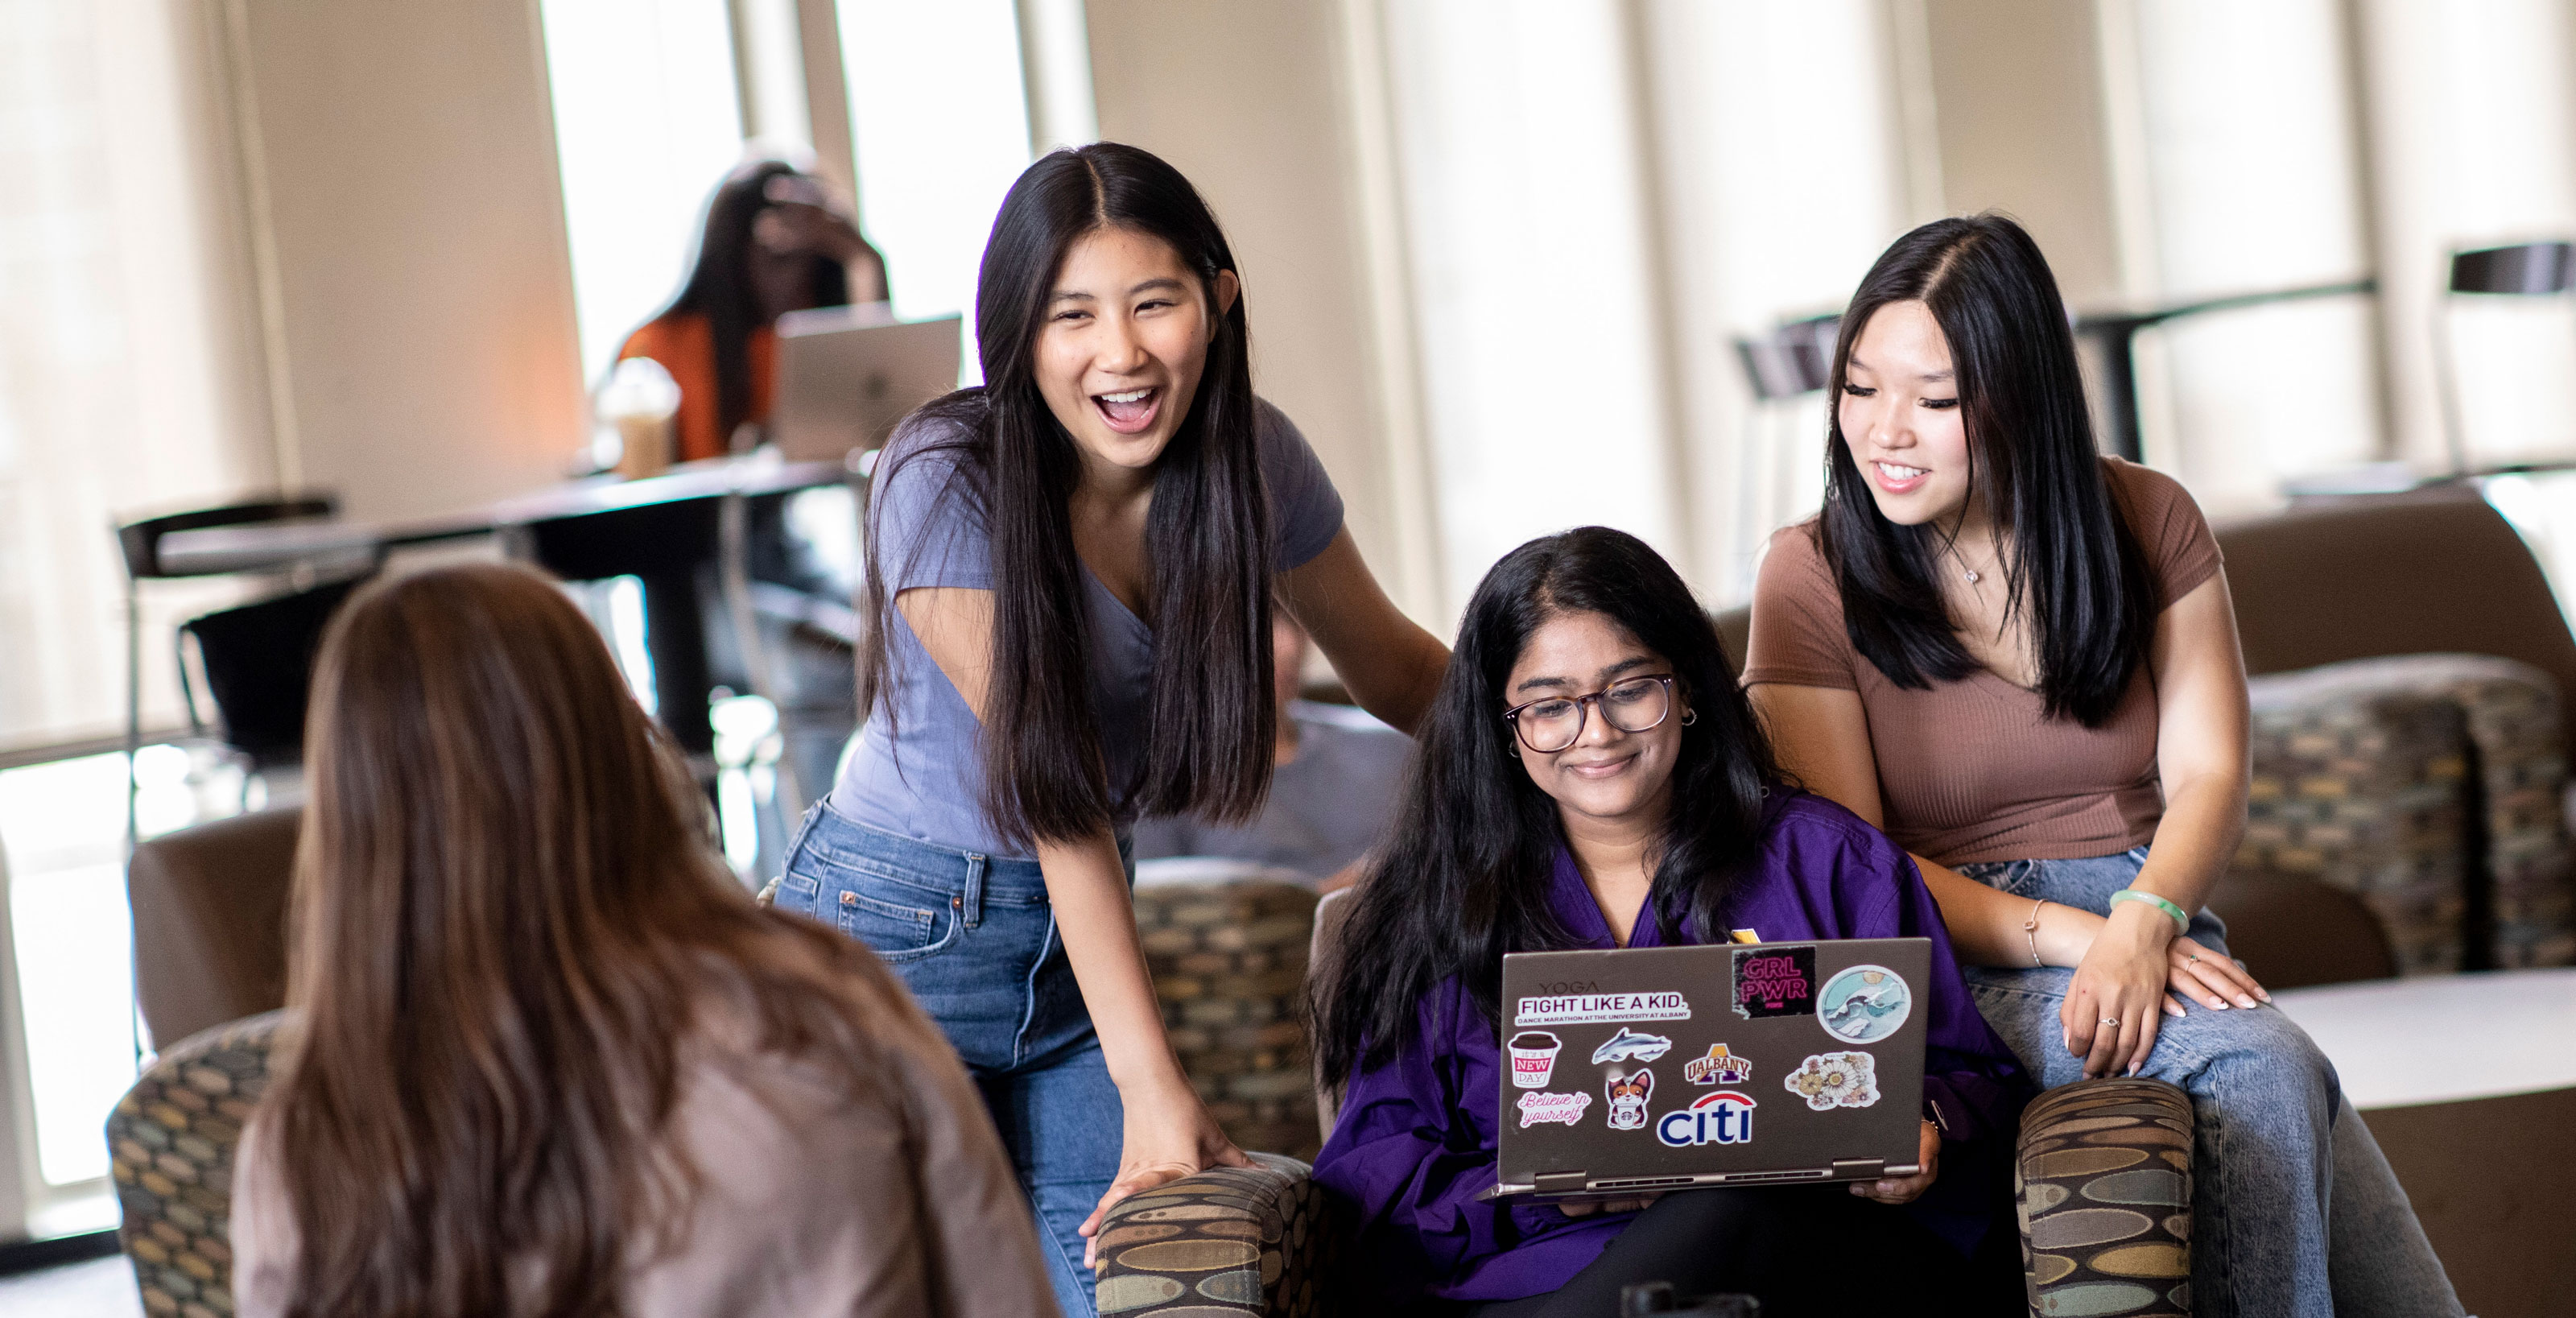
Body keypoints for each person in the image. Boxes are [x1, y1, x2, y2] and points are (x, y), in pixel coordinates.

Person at [769, 142, 1449, 1316]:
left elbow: (1396, 668)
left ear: (1217, 300)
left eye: (1155, 303)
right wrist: (1151, 1079)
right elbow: (1059, 781)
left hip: (1075, 951)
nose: (1120, 353)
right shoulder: (946, 469)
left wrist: (1582, 729)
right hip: (891, 942)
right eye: (1071, 314)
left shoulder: (1254, 459)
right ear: (1019, 334)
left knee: (1139, 1295)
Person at [1743, 213, 2459, 1318]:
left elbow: (2213, 769)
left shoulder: (2146, 515)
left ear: (2021, 395)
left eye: (1934, 400)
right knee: (2265, 1065)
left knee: (2396, 1278)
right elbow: (1852, 866)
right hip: (1957, 944)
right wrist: (2097, 938)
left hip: (2153, 917)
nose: (1883, 432)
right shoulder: (1809, 572)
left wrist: (2147, 917)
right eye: (1857, 387)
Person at [229, 564, 1055, 1317]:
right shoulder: (823, 1012)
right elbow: (1000, 1290)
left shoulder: (303, 1146)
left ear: (348, 827)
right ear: (618, 746)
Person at [1311, 527, 2030, 1317]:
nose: (1596, 731)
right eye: (1550, 706)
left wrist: (1922, 1125)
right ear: (1506, 727)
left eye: (1628, 688)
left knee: (1728, 1209)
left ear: (1684, 688)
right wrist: (1535, 1193)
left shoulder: (1825, 860)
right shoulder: (1439, 907)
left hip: (1807, 1263)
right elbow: (1370, 1171)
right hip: (1543, 1278)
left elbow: (1977, 1084)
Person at [618, 159, 890, 461]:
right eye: (778, 260)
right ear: (731, 260)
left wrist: (865, 259)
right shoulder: (659, 345)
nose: (794, 281)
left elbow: (878, 410)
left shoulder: (809, 336)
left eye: (808, 262)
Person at [1131, 608, 1410, 886]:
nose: (1288, 645)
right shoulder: (1154, 781)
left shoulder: (1393, 744)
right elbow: (1157, 915)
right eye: (1255, 621)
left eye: (1295, 619)